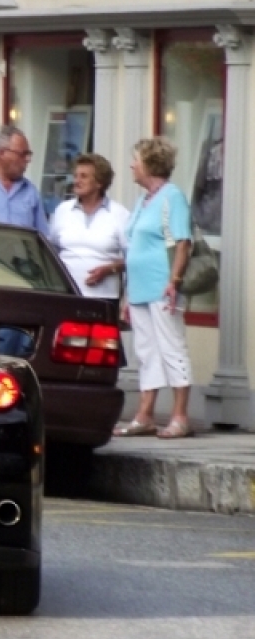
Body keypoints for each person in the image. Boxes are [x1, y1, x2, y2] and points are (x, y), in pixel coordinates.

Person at [115, 136, 195, 439]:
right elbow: (134, 245)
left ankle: (180, 416)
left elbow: (183, 242)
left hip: (163, 287)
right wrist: (127, 294)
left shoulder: (172, 196)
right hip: (140, 289)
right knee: (147, 352)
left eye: (136, 159)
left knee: (172, 348)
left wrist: (174, 281)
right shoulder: (143, 200)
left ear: (149, 164)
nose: (132, 165)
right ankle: (145, 415)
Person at [48, 153, 129, 299]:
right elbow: (50, 251)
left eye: (83, 176)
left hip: (104, 296)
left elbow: (133, 258)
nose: (76, 181)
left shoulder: (120, 214)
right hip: (64, 294)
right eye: (76, 175)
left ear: (99, 183)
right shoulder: (63, 210)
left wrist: (110, 269)